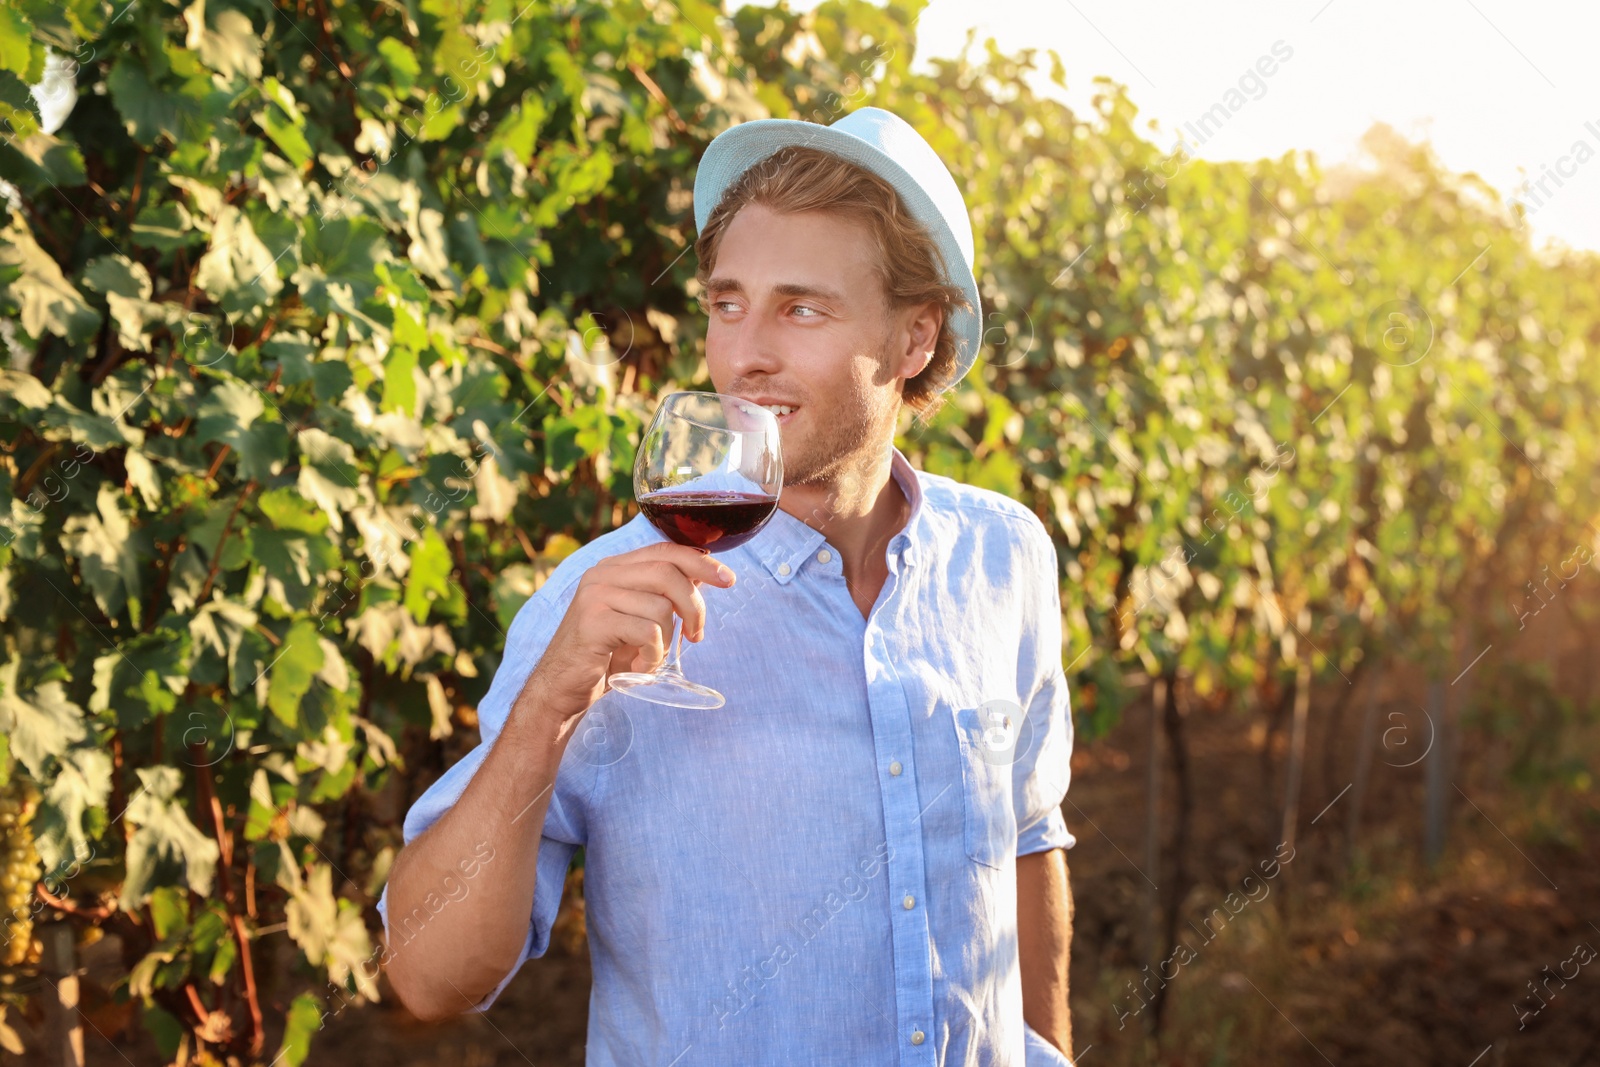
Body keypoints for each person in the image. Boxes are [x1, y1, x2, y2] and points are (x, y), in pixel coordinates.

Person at [378, 106, 1079, 1066]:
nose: (743, 354)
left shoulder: (1005, 556)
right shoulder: (596, 607)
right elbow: (427, 977)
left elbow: (1030, 841)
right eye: (726, 302)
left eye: (802, 308)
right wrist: (550, 704)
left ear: (915, 340)